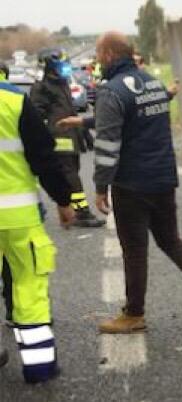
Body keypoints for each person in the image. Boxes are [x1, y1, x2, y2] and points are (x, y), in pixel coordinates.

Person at [86, 32, 182, 333]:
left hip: (132, 184)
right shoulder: (153, 83)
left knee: (135, 250)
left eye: (99, 54)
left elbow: (108, 144)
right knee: (171, 239)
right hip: (163, 177)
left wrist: (100, 187)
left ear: (109, 55)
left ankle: (134, 314)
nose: (97, 60)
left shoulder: (111, 91)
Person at [0, 61, 76, 383]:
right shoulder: (14, 100)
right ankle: (40, 368)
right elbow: (43, 156)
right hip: (18, 218)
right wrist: (63, 199)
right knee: (29, 289)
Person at [30, 49, 105, 228]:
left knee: (73, 171)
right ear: (49, 67)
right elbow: (37, 116)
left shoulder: (61, 83)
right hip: (58, 138)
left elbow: (70, 111)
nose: (64, 69)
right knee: (70, 176)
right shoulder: (41, 87)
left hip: (72, 135)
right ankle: (82, 212)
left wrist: (84, 133)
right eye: (60, 66)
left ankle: (68, 212)